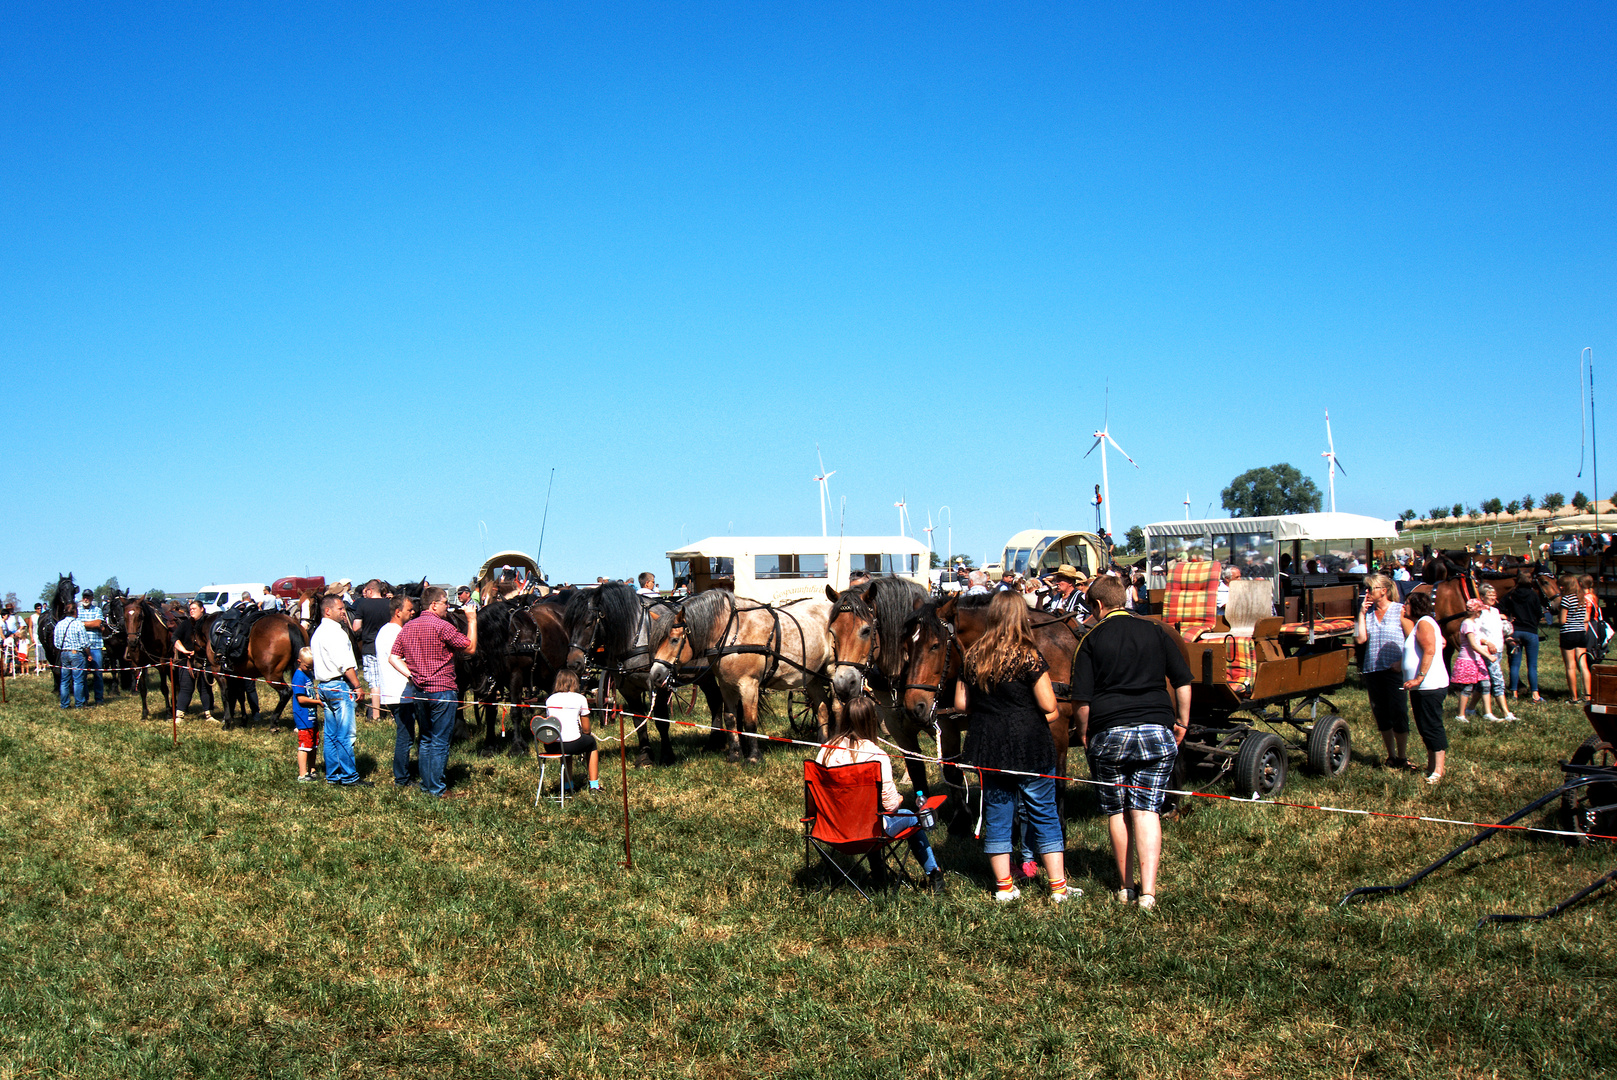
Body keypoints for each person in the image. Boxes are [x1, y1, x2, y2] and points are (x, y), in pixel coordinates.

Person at [1071, 575, 1192, 910]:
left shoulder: (1091, 640)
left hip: (1110, 733)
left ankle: (1125, 887)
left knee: (1117, 811)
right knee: (1147, 810)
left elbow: (1081, 701)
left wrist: (1084, 731)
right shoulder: (1155, 631)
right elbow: (1182, 681)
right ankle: (1149, 892)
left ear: (1097, 606)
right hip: (1156, 730)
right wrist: (1182, 721)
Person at [952, 591, 1071, 904]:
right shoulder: (1028, 655)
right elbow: (1048, 705)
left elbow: (961, 703)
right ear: (1022, 616)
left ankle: (1004, 887)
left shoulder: (972, 655)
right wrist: (1053, 713)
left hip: (989, 746)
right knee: (1044, 813)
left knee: (997, 815)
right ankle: (1058, 887)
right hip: (1029, 745)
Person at [816, 695, 945, 893]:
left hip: (830, 828)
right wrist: (899, 799)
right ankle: (934, 874)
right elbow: (891, 807)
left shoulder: (825, 751)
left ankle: (879, 871)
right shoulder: (876, 755)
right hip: (868, 832)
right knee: (910, 817)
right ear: (871, 721)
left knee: (870, 815)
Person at [389, 587, 477, 799]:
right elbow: (470, 647)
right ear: (434, 604)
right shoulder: (442, 626)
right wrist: (472, 620)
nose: (448, 606)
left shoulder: (408, 627)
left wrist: (411, 675)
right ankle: (436, 788)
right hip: (442, 690)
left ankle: (427, 784)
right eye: (445, 602)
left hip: (419, 691)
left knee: (426, 738)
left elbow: (393, 657)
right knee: (439, 740)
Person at [1355, 573, 1412, 769]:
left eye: (1371, 589)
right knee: (1381, 712)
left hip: (1393, 669)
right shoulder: (1368, 614)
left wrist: (1402, 661)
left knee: (1398, 711)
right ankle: (1391, 755)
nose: (1367, 593)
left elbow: (1412, 639)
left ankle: (1402, 756)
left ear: (1384, 591)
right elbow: (1360, 639)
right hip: (1373, 669)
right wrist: (1361, 614)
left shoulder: (1400, 611)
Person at [312, 595, 368, 787]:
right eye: (340, 609)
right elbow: (345, 665)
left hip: (324, 685)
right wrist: (357, 686)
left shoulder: (318, 632)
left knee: (331, 734)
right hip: (338, 685)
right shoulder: (336, 633)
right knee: (345, 734)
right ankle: (349, 776)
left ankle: (333, 774)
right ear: (328, 611)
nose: (343, 612)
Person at [1401, 590, 1450, 783]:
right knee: (1424, 726)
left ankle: (1438, 770)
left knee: (1432, 726)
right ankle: (1431, 767)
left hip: (1430, 685)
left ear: (1416, 606)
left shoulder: (1424, 623)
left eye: (1407, 603)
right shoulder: (1420, 624)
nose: (1404, 607)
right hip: (1421, 688)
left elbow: (1429, 650)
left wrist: (1419, 678)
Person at [536, 669, 604, 794]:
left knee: (563, 747)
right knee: (591, 743)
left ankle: (568, 785)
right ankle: (594, 785)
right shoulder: (580, 698)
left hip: (552, 745)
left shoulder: (550, 700)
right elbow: (586, 729)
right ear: (574, 683)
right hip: (572, 744)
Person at [375, 596, 418, 787]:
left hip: (395, 691)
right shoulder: (394, 633)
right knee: (406, 736)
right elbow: (400, 659)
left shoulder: (387, 631)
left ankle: (404, 772)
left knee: (406, 734)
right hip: (401, 692)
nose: (413, 612)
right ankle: (402, 777)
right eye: (409, 610)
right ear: (398, 612)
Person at [350, 580, 393, 725]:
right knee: (389, 680)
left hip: (370, 646)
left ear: (369, 590)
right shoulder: (389, 604)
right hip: (388, 646)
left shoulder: (362, 604)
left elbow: (356, 628)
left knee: (375, 682)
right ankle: (393, 713)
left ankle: (376, 714)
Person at [1499, 571, 1544, 703]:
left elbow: (1500, 608)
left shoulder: (1511, 595)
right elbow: (1539, 614)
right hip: (1531, 632)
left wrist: (1508, 618)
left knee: (1515, 664)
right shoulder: (1533, 595)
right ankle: (1535, 694)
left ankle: (1514, 693)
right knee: (1532, 665)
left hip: (1515, 632)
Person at [1452, 599, 1500, 722]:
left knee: (1486, 685)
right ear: (1476, 612)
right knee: (1467, 688)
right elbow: (1473, 644)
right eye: (1479, 611)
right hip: (1468, 660)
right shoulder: (1467, 623)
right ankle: (1460, 715)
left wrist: (1488, 643)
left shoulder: (1473, 623)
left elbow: (1478, 639)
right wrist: (1488, 656)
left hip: (1477, 659)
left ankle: (1488, 713)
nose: (1480, 614)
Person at [171, 599, 216, 721]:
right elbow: (174, 638)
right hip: (187, 661)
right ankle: (179, 716)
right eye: (190, 609)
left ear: (202, 609)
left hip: (204, 661)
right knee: (186, 688)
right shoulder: (186, 624)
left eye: (194, 609)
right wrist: (184, 650)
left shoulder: (208, 624)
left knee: (205, 689)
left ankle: (209, 714)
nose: (191, 611)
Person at [1476, 585, 1515, 720]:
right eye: (1489, 595)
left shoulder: (1495, 611)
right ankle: (1506, 713)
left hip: (1498, 650)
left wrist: (1508, 638)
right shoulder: (1478, 613)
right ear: (1482, 597)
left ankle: (1468, 709)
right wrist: (1487, 643)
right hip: (1487, 652)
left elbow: (1498, 631)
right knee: (1498, 680)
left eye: (1494, 595)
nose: (1493, 598)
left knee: (1483, 681)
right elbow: (1473, 634)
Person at [1557, 574, 1591, 703]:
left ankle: (1574, 697)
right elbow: (1586, 618)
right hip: (1581, 633)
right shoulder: (1582, 599)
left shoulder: (1566, 599)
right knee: (1583, 665)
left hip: (1568, 633)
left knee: (1570, 666)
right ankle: (1588, 696)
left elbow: (1562, 620)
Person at [52, 599, 91, 709]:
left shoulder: (59, 624)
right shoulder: (78, 624)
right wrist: (89, 654)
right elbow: (85, 643)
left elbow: (56, 643)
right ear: (75, 612)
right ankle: (79, 704)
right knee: (78, 680)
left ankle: (64, 704)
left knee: (64, 680)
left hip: (64, 653)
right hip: (76, 654)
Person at [292, 647, 319, 782]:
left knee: (313, 744)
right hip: (303, 717)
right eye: (307, 666)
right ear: (299, 661)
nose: (310, 669)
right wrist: (317, 702)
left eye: (311, 667)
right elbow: (301, 699)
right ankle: (302, 774)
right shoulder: (298, 676)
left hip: (312, 715)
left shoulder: (308, 674)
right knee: (305, 745)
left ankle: (312, 769)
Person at [78, 589, 106, 706]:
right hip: (81, 647)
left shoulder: (98, 610)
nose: (86, 599)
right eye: (84, 597)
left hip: (95, 646)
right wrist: (92, 624)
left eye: (88, 597)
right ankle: (84, 699)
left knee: (98, 673)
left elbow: (97, 624)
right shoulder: (77, 610)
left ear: (92, 598)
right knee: (82, 674)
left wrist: (82, 624)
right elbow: (77, 624)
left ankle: (99, 699)